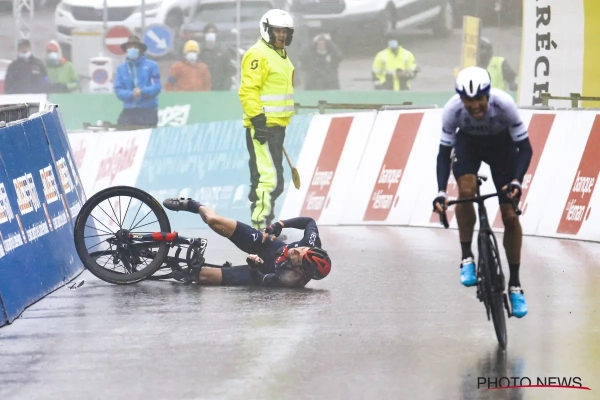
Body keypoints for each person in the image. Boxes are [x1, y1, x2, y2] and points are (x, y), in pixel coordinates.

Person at [432, 66, 532, 318]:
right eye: (469, 100)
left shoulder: (504, 105)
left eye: (479, 99)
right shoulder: (452, 111)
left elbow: (525, 149)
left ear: (488, 95)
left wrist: (517, 181)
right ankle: (467, 257)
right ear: (461, 99)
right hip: (468, 145)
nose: (475, 106)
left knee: (510, 215)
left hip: (502, 148)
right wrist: (441, 192)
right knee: (466, 191)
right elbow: (443, 155)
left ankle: (515, 285)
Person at [161, 197, 332, 288]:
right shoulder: (312, 243)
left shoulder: (290, 279)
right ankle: (193, 205)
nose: (296, 250)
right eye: (301, 249)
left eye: (297, 257)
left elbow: (261, 279)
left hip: (260, 270)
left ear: (300, 269)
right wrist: (280, 224)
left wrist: (254, 267)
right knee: (214, 221)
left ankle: (160, 266)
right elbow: (309, 221)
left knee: (201, 276)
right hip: (266, 245)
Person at [239, 9, 295, 233]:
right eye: (277, 30)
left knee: (275, 181)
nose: (281, 35)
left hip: (277, 127)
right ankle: (261, 229)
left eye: (285, 31)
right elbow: (248, 90)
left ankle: (264, 225)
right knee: (268, 180)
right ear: (266, 30)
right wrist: (258, 120)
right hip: (262, 127)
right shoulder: (257, 54)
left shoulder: (280, 55)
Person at [114, 35, 161, 127]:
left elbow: (156, 87)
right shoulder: (121, 69)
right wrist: (131, 94)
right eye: (130, 47)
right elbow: (118, 90)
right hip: (129, 110)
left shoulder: (152, 66)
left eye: (135, 47)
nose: (132, 49)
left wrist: (142, 91)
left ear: (141, 49)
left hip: (148, 111)